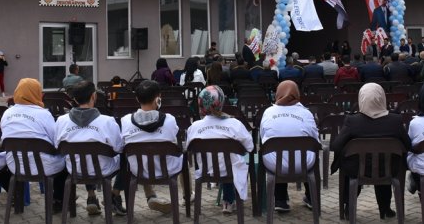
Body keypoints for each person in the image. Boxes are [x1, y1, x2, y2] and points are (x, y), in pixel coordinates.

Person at [331, 83, 410, 219]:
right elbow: (408, 145)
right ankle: (385, 208)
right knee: (384, 161)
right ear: (382, 98)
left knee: (350, 161)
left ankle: (349, 206)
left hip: (357, 170)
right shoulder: (395, 120)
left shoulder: (352, 121)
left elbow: (336, 146)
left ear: (361, 99)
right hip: (389, 169)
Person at [55, 81, 124, 216]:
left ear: (74, 99)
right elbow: (119, 148)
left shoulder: (61, 121)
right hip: (103, 170)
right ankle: (114, 195)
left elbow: (57, 146)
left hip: (75, 169)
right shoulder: (108, 121)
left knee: (83, 158)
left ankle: (91, 196)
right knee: (126, 157)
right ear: (94, 96)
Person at [1, 78, 67, 212]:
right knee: (66, 161)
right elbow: (55, 140)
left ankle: (17, 198)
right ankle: (58, 199)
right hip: (44, 166)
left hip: (15, 165)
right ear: (35, 93)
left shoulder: (7, 113)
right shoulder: (43, 114)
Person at [185, 85, 253, 214]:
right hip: (231, 171)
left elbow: (189, 148)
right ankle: (228, 200)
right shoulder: (235, 124)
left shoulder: (194, 127)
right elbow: (250, 147)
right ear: (221, 102)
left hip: (206, 170)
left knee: (225, 161)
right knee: (230, 161)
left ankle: (227, 200)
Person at [259, 80, 319, 212]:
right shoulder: (306, 113)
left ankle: (280, 200)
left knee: (277, 154)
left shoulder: (268, 112)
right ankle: (311, 197)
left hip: (274, 165)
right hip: (304, 165)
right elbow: (316, 141)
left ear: (278, 93)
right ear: (296, 94)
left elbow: (263, 138)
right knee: (309, 153)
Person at [120, 80, 178, 214]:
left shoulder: (126, 120)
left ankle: (117, 194)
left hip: (138, 170)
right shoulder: (169, 120)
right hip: (167, 170)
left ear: (136, 98)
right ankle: (187, 196)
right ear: (158, 98)